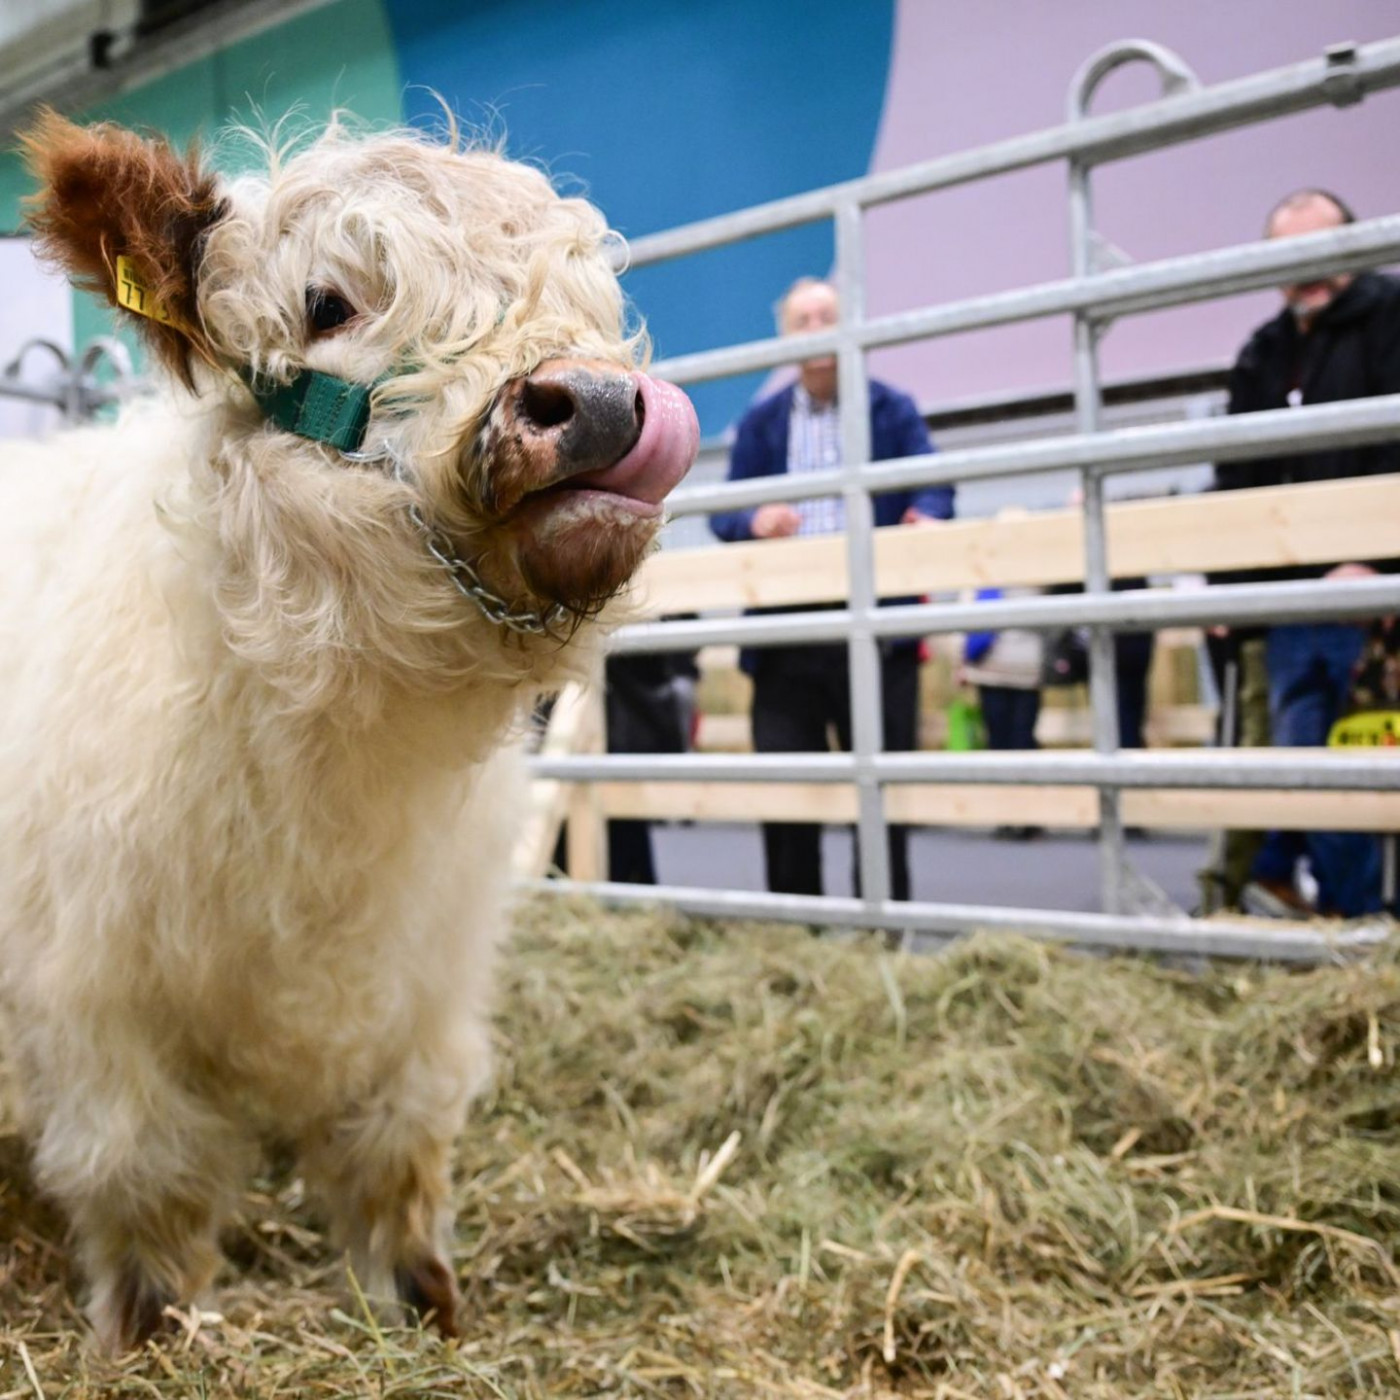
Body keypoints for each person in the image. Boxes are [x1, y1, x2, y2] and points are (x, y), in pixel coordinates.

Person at [709, 277, 954, 900]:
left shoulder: (890, 409)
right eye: (805, 321)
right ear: (787, 339)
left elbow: (937, 486)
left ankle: (881, 925)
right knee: (788, 795)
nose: (818, 331)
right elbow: (724, 514)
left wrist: (925, 515)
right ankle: (799, 929)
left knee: (879, 797)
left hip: (874, 632)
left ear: (851, 327)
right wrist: (753, 520)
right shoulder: (761, 424)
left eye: (827, 316)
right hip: (786, 635)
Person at [1214, 188, 1400, 918]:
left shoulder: (1391, 320)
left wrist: (1378, 561)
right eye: (1290, 257)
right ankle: (1347, 919)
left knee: (1351, 755)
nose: (1308, 271)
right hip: (1293, 595)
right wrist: (1229, 585)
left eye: (1321, 250)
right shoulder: (1263, 350)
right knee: (1308, 753)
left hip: (1374, 587)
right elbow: (1235, 473)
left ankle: (1342, 913)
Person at [961, 584, 1045, 840]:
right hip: (1022, 670)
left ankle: (1013, 816)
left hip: (997, 670)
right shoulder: (1037, 578)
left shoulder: (983, 578)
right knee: (1021, 743)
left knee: (1003, 744)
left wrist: (963, 663)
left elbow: (966, 621)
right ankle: (1023, 816)